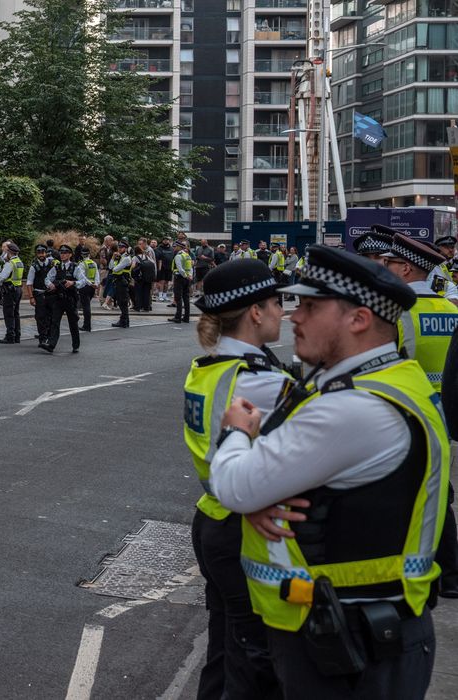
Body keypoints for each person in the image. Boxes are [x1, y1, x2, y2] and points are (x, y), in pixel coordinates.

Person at [210, 246, 446, 697]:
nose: (295, 317)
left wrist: (237, 433)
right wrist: (262, 491)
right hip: (349, 626)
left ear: (357, 319)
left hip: (349, 638)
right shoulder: (371, 380)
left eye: (311, 307)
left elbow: (236, 486)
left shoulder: (354, 408)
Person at [182, 259, 289, 700]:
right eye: (278, 302)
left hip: (213, 521)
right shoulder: (257, 380)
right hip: (241, 528)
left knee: (226, 653)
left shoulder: (209, 367)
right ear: (256, 313)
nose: (285, 312)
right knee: (254, 663)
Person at [380, 233, 458, 599]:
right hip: (444, 415)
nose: (387, 269)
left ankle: (418, 571)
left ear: (407, 268)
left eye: (392, 264)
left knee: (408, 496)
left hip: (406, 413)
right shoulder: (451, 309)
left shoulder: (399, 314)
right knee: (439, 490)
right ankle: (451, 573)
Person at [42, 245, 86, 353]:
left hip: (70, 299)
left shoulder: (75, 267)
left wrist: (73, 283)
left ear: (70, 254)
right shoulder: (57, 267)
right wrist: (50, 284)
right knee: (55, 322)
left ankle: (75, 345)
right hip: (58, 298)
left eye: (65, 252)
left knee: (73, 323)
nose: (63, 254)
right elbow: (47, 278)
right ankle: (51, 345)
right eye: (61, 252)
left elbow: (83, 281)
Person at [25, 244, 56, 345]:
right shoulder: (34, 267)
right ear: (36, 254)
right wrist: (31, 297)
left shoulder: (53, 264)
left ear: (46, 253)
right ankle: (42, 338)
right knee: (40, 316)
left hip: (51, 294)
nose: (41, 254)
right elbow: (29, 283)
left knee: (51, 316)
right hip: (39, 294)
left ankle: (49, 336)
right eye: (39, 252)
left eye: (43, 252)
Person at [0, 242, 25, 343]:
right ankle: (17, 335)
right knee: (16, 313)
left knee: (8, 314)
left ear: (9, 252)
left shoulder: (10, 263)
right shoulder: (19, 262)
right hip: (18, 289)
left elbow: (3, 277)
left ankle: (10, 336)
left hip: (10, 290)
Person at [109, 242, 134, 328]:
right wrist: (113, 258)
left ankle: (124, 321)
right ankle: (124, 321)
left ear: (126, 248)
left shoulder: (126, 258)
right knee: (121, 301)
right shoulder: (120, 257)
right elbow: (110, 267)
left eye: (122, 247)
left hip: (122, 281)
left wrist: (114, 266)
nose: (119, 249)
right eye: (119, 247)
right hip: (118, 281)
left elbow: (115, 269)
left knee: (122, 302)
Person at [171, 239, 195, 324]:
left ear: (178, 247)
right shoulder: (187, 255)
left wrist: (185, 275)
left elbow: (180, 268)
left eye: (174, 246)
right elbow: (190, 267)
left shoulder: (178, 255)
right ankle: (186, 317)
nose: (173, 248)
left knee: (178, 297)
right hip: (187, 279)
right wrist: (190, 276)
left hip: (179, 278)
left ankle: (178, 317)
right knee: (186, 298)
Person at [78, 245, 99, 332]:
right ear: (89, 254)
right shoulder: (93, 263)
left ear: (82, 255)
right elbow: (97, 275)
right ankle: (87, 325)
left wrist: (90, 284)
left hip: (85, 287)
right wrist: (96, 284)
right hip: (92, 288)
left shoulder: (82, 264)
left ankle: (87, 326)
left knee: (86, 307)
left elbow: (82, 277)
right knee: (87, 306)